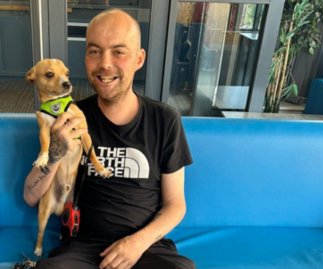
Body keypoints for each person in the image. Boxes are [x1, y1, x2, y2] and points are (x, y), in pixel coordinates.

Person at [23, 8, 195, 269]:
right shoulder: (69, 117)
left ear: (139, 59)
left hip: (145, 248)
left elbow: (176, 205)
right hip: (81, 248)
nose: (104, 63)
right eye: (94, 51)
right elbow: (30, 196)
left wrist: (136, 244)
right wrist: (56, 152)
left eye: (119, 52)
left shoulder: (165, 120)